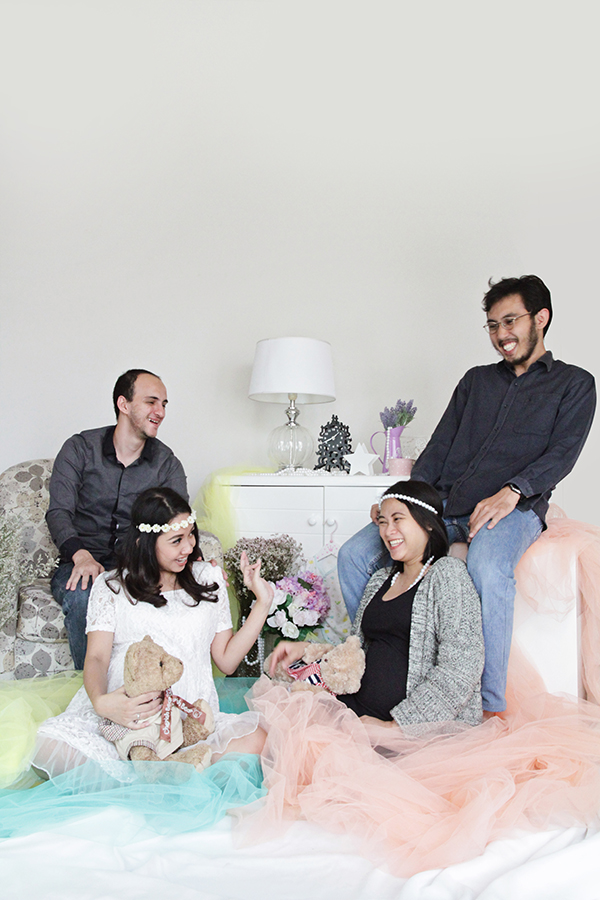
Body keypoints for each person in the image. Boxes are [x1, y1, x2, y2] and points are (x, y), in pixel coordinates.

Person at [337, 275, 596, 712]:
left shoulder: (575, 384)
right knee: (353, 555)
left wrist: (512, 491)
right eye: (493, 325)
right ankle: (375, 666)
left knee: (489, 569)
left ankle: (487, 705)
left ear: (541, 318)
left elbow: (562, 454)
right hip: (439, 506)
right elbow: (438, 448)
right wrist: (399, 502)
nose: (501, 334)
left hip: (512, 509)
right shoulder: (475, 382)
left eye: (510, 321)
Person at [33, 487, 273, 778]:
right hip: (126, 718)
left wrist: (263, 603)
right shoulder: (111, 587)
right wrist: (102, 703)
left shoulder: (208, 578)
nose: (188, 547)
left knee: (257, 743)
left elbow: (227, 661)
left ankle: (163, 768)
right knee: (50, 749)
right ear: (144, 542)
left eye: (191, 535)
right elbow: (96, 657)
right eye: (176, 540)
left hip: (188, 721)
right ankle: (150, 771)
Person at [270, 480, 484, 728]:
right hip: (354, 712)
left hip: (409, 731)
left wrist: (395, 728)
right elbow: (357, 653)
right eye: (383, 522)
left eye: (397, 519)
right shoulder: (380, 579)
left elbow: (461, 669)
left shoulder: (447, 574)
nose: (388, 530)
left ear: (427, 522)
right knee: (270, 724)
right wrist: (307, 649)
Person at [47, 368, 188, 669]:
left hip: (137, 565)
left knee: (169, 597)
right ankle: (92, 691)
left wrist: (195, 556)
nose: (160, 412)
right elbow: (59, 513)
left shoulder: (166, 463)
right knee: (83, 594)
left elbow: (179, 523)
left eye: (164, 404)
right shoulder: (79, 449)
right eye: (151, 402)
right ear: (123, 404)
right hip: (81, 561)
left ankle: (149, 687)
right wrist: (81, 556)